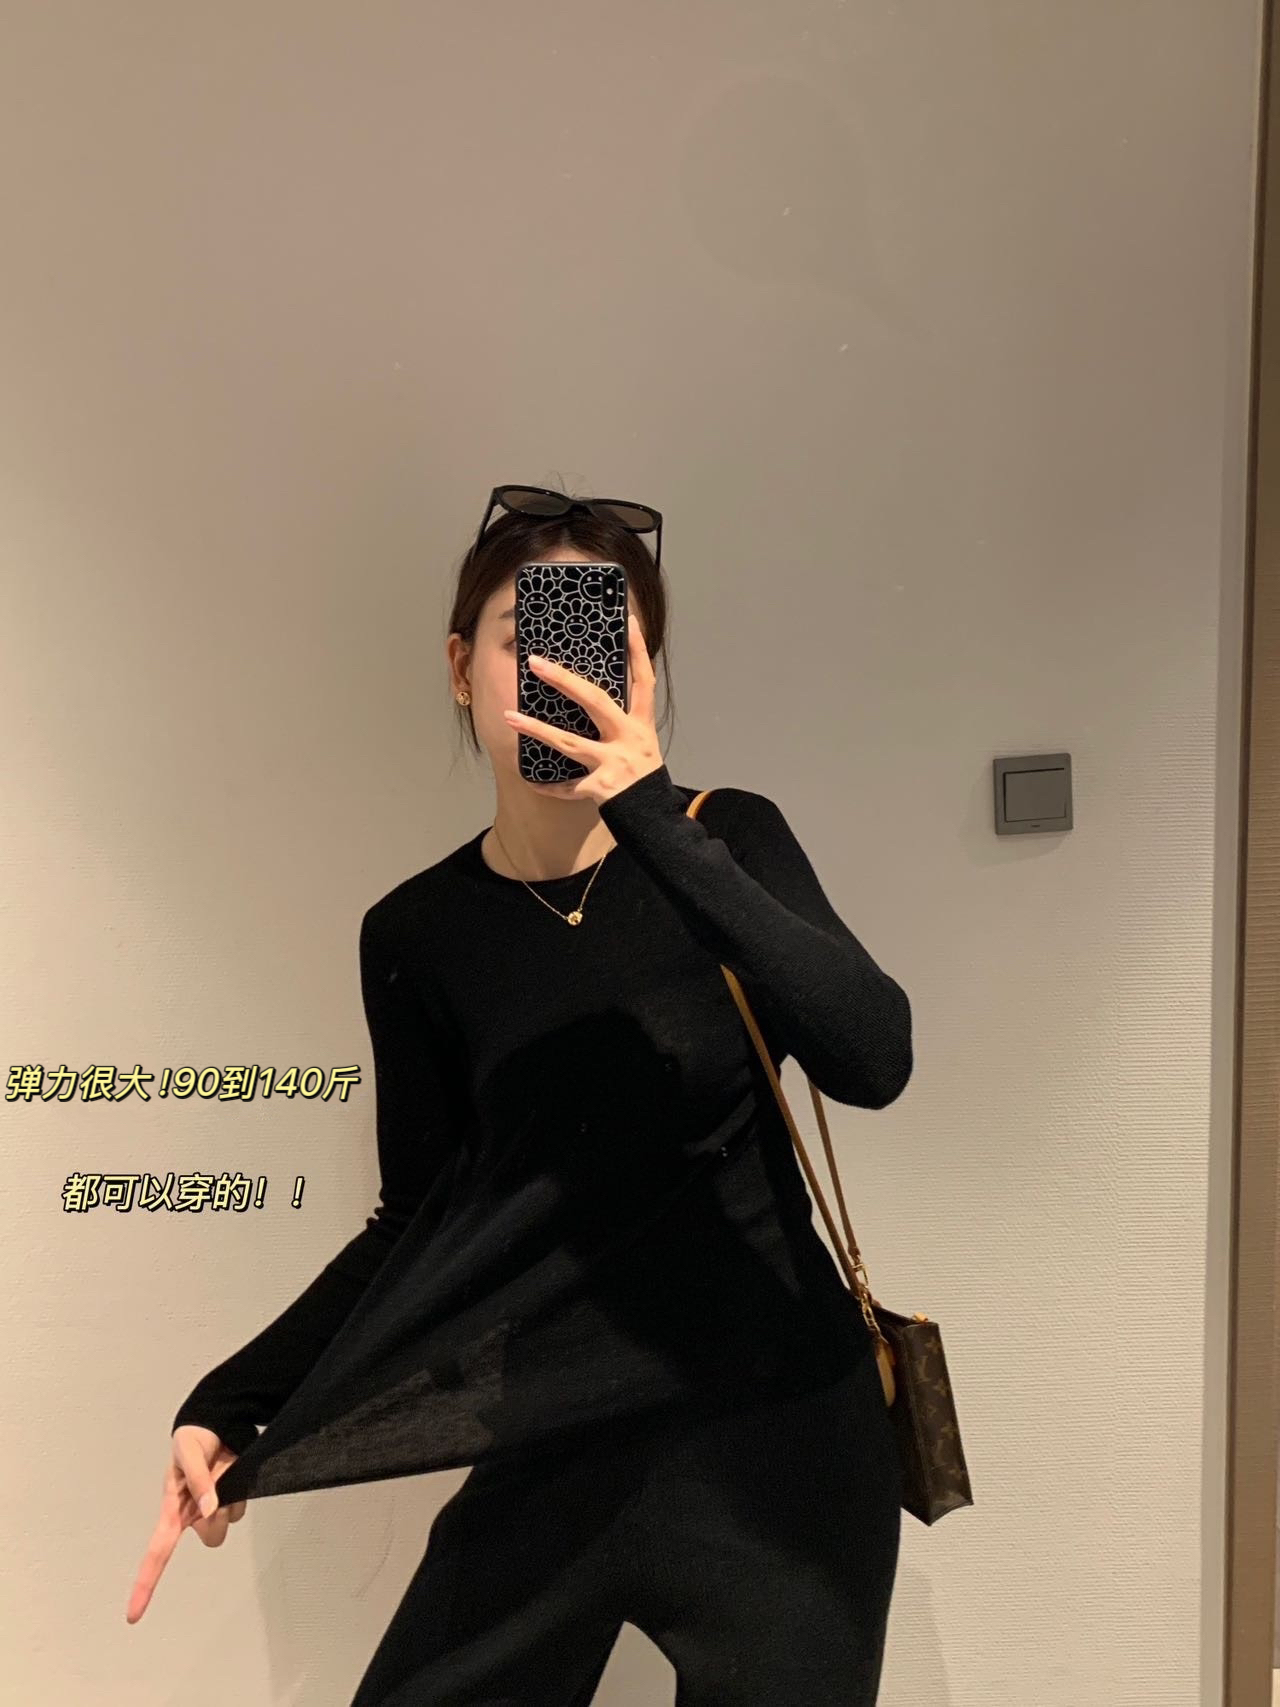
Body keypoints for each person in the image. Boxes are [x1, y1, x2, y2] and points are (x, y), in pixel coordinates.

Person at [127, 485, 914, 1705]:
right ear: (461, 667)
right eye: (525, 638)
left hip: (782, 1442)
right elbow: (417, 1221)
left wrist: (648, 815)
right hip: (549, 1439)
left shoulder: (730, 840)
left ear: (646, 670)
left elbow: (873, 1060)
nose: (562, 671)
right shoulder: (417, 933)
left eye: (606, 642)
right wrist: (237, 1397)